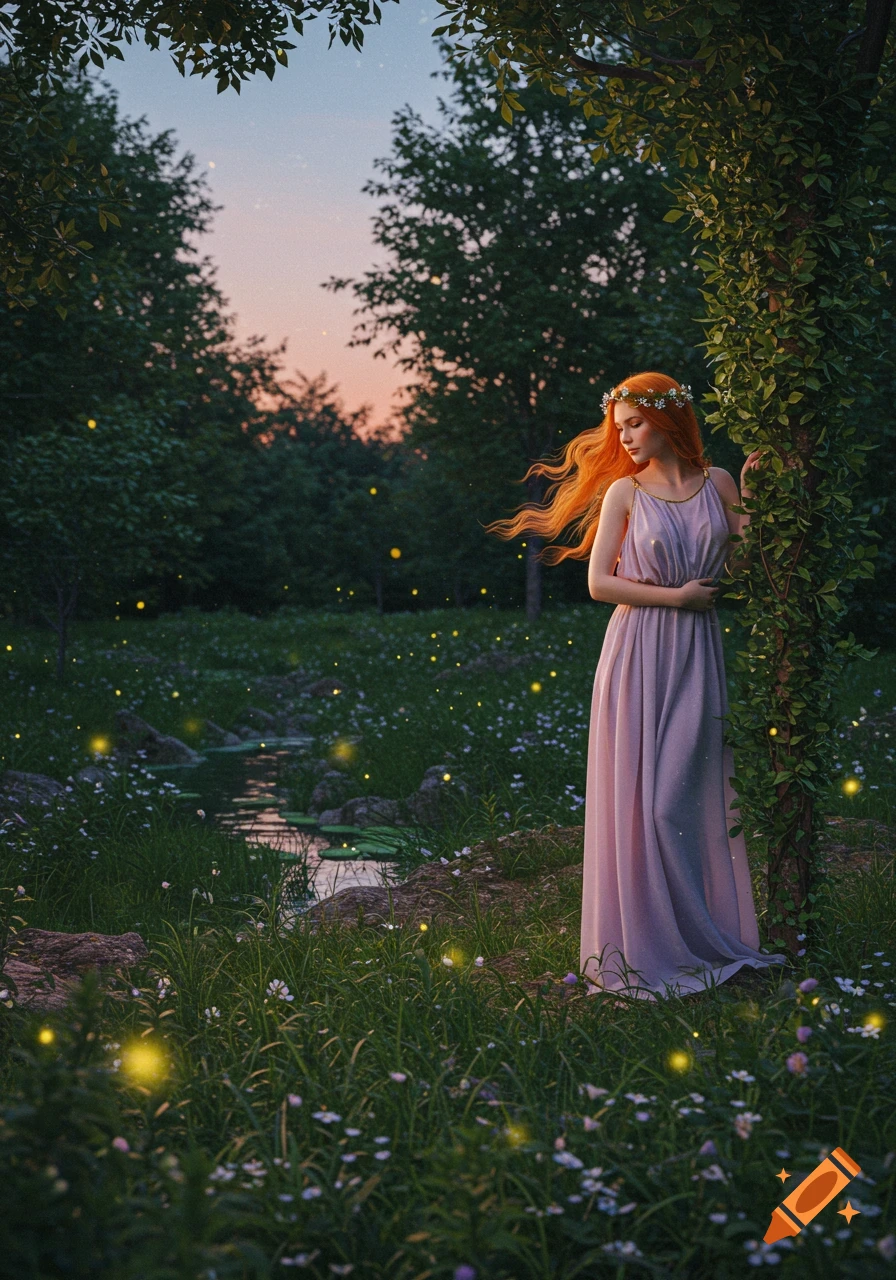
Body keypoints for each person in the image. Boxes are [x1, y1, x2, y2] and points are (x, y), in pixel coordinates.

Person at [488, 371, 786, 999]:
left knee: (676, 801)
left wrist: (754, 498)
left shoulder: (720, 484)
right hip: (637, 651)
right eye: (618, 427)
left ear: (669, 421)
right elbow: (599, 584)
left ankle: (700, 939)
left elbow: (741, 564)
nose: (624, 438)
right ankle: (652, 948)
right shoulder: (625, 490)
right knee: (643, 806)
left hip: (697, 656)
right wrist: (677, 596)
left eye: (635, 424)